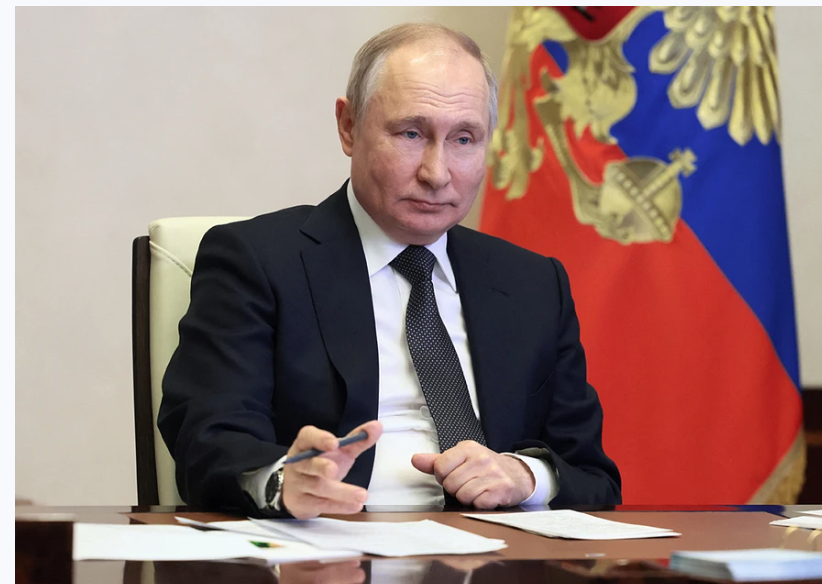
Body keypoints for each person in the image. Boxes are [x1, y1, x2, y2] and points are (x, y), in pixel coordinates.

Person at [158, 23, 621, 520]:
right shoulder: (257, 260)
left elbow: (592, 476)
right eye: (411, 134)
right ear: (348, 127)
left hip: (496, 552)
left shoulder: (533, 283)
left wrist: (527, 476)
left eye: (464, 139)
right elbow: (209, 440)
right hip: (331, 546)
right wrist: (285, 480)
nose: (436, 172)